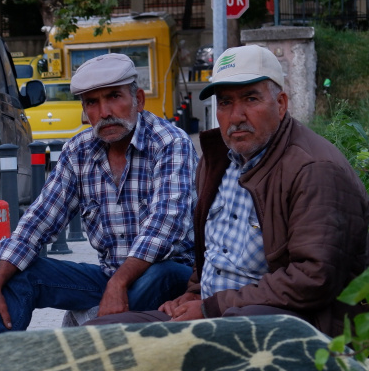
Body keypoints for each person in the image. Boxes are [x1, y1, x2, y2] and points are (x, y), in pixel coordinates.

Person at [89, 45, 369, 335]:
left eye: (250, 99)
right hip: (218, 312)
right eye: (225, 103)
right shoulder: (219, 160)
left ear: (281, 103)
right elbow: (213, 252)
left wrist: (212, 308)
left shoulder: (314, 168)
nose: (236, 116)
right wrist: (194, 294)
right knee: (97, 334)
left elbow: (314, 278)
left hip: (293, 325)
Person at [0, 53, 197, 336]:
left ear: (138, 99)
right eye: (92, 102)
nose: (104, 112)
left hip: (169, 275)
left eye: (114, 97)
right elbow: (38, 222)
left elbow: (165, 227)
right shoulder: (78, 151)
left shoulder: (169, 142)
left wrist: (119, 285)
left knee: (161, 273)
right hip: (109, 277)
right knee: (18, 275)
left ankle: (93, 340)